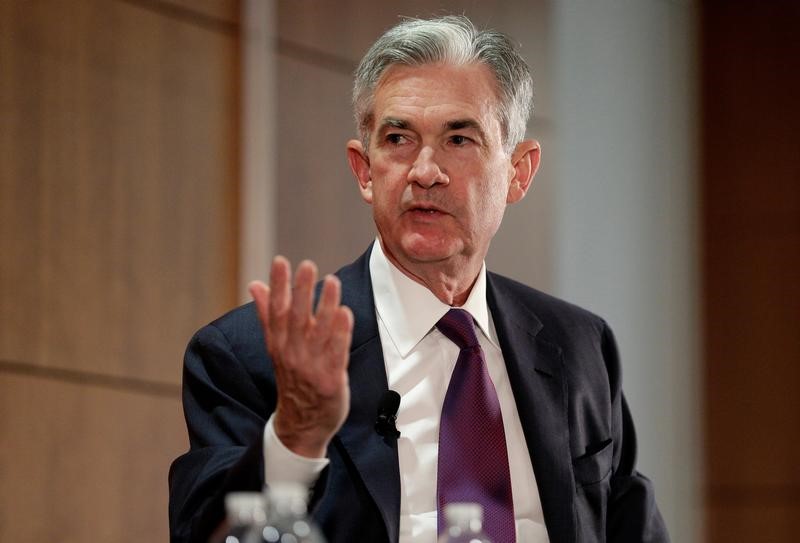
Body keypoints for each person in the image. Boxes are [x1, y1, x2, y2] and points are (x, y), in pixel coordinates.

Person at [169, 15, 669, 543]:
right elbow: (204, 532)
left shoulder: (580, 347)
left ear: (518, 172)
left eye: (459, 138)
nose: (424, 170)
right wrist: (296, 437)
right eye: (399, 138)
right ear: (365, 170)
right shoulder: (251, 354)